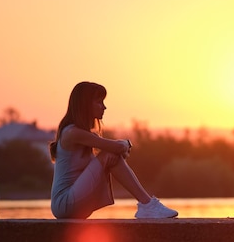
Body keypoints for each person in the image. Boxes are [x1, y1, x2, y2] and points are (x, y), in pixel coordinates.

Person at [49, 81, 178, 219]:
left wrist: (120, 148)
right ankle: (147, 205)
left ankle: (147, 205)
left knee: (111, 155)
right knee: (110, 155)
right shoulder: (72, 132)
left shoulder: (84, 135)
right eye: (99, 102)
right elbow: (117, 148)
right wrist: (126, 143)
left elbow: (117, 150)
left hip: (73, 203)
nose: (104, 107)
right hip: (64, 204)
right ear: (85, 105)